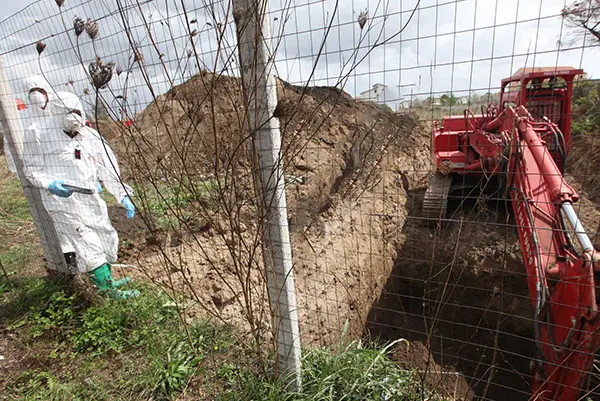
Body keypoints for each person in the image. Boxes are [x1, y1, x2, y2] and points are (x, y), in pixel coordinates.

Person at [22, 83, 138, 299]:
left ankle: (105, 279)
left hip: (90, 197)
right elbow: (31, 169)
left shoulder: (91, 137)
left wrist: (122, 195)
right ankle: (106, 292)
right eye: (67, 114)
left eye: (76, 113)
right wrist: (50, 184)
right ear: (56, 114)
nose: (73, 119)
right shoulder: (39, 134)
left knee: (106, 238)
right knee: (87, 244)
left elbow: (107, 168)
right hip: (62, 201)